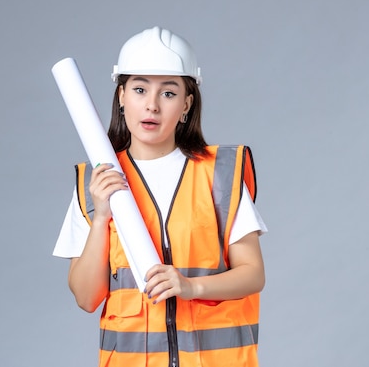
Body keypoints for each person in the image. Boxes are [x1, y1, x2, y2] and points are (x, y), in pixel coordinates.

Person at [53, 26, 267, 367]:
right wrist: (101, 217)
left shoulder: (219, 174)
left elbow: (253, 273)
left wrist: (190, 287)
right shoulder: (95, 185)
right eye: (139, 89)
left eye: (168, 93)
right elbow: (85, 297)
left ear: (186, 104)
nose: (151, 105)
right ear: (122, 96)